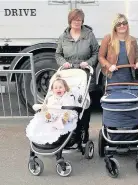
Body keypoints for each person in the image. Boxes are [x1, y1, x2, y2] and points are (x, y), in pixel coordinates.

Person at [55, 9, 99, 145]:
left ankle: (83, 133)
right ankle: (70, 135)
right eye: (74, 20)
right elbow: (58, 54)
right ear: (70, 21)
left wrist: (89, 63)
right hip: (69, 76)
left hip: (84, 75)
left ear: (82, 21)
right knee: (69, 106)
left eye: (79, 20)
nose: (77, 22)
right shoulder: (64, 37)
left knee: (84, 106)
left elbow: (96, 53)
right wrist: (64, 63)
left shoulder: (89, 35)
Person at [26, 77, 77, 145]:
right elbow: (49, 107)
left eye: (60, 87)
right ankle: (49, 118)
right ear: (52, 90)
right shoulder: (51, 98)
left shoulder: (68, 97)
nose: (58, 89)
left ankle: (62, 122)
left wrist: (65, 113)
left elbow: (70, 107)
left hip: (65, 113)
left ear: (65, 88)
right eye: (55, 88)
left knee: (67, 115)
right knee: (44, 118)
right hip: (54, 114)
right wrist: (47, 112)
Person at [98, 13, 138, 84]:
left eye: (124, 23)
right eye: (118, 24)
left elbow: (137, 56)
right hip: (112, 79)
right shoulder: (108, 38)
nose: (122, 26)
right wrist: (109, 66)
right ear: (114, 26)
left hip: (129, 79)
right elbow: (101, 57)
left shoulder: (133, 40)